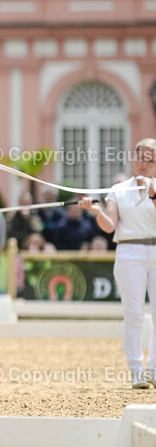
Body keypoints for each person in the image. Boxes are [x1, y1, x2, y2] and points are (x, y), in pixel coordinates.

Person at [80, 138, 156, 389]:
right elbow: (110, 225)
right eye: (141, 158)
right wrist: (96, 211)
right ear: (133, 159)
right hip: (129, 252)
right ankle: (136, 370)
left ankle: (154, 368)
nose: (144, 164)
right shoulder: (119, 190)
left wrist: (152, 192)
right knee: (134, 314)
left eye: (150, 160)